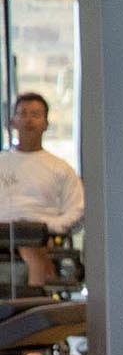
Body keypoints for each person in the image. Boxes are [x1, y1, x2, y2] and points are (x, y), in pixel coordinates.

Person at [0, 93, 83, 288]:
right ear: (12, 122)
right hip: (3, 230)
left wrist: (49, 226)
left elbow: (77, 209)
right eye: (23, 114)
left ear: (45, 124)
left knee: (31, 243)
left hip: (40, 234)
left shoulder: (60, 168)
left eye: (35, 115)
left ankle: (36, 295)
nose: (29, 120)